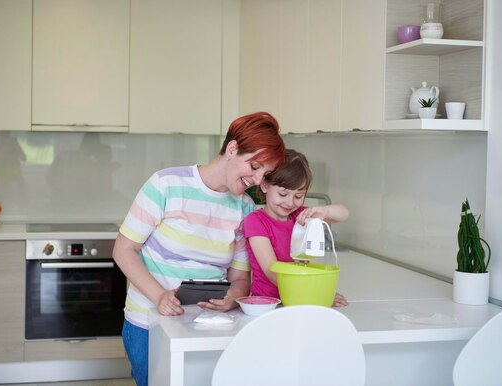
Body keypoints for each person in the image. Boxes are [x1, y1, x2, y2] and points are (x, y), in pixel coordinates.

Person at [112, 112, 286, 386]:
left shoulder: (245, 208)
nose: (256, 180)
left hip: (207, 328)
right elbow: (123, 250)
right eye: (254, 167)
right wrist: (160, 297)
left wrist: (231, 299)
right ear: (232, 149)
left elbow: (240, 279)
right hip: (149, 324)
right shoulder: (166, 184)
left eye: (264, 174)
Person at [243, 149, 349, 307]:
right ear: (265, 185)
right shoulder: (255, 222)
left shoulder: (301, 216)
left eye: (298, 196)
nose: (290, 203)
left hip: (300, 299)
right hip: (268, 303)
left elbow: (343, 213)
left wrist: (325, 211)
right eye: (283, 194)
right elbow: (272, 272)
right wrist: (316, 291)